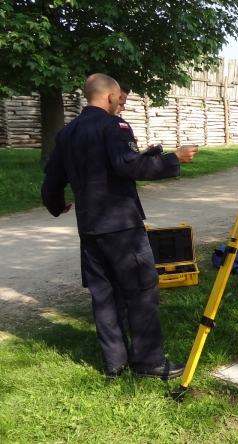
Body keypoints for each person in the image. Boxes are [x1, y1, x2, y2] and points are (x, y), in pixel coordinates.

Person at [41, 73, 199, 380]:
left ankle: (115, 364)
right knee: (141, 290)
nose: (121, 105)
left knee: (103, 295)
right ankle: (150, 363)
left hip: (89, 228)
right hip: (122, 228)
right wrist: (173, 159)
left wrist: (57, 206)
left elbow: (51, 183)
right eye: (121, 99)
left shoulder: (67, 132)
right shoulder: (114, 125)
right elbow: (130, 166)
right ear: (111, 96)